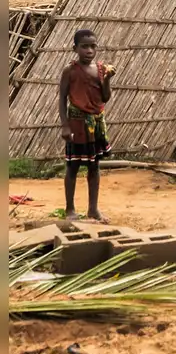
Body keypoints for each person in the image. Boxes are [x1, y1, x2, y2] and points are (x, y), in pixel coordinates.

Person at [59, 29, 115, 222]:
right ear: (75, 48)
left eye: (93, 46)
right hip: (77, 124)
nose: (89, 50)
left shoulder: (100, 70)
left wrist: (107, 79)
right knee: (73, 166)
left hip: (96, 124)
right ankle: (69, 210)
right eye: (84, 46)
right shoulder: (70, 70)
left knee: (94, 166)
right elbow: (62, 98)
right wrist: (65, 126)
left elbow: (105, 97)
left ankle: (93, 209)